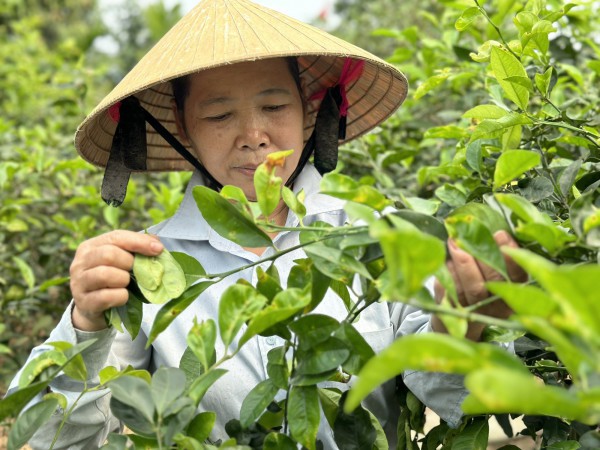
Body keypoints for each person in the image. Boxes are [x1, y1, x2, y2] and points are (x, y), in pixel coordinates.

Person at [8, 0, 526, 448]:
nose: (253, 135)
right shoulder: (150, 267)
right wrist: (87, 322)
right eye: (219, 116)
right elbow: (60, 436)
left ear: (307, 113)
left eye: (274, 105)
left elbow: (458, 398)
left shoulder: (377, 235)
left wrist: (463, 327)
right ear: (184, 131)